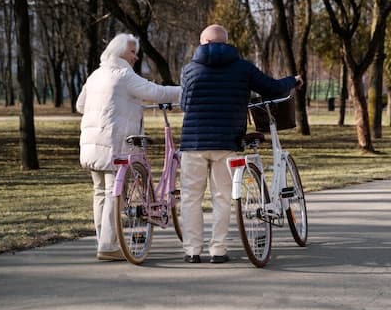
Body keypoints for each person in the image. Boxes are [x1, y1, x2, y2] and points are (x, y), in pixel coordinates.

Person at [179, 24, 302, 264]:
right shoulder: (242, 68)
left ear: (203, 42)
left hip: (193, 142)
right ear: (225, 42)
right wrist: (292, 80)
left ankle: (192, 251)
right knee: (223, 198)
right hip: (227, 141)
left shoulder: (189, 70)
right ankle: (218, 250)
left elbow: (185, 104)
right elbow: (272, 88)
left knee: (190, 198)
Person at [76, 33, 181, 261]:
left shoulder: (95, 75)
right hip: (115, 144)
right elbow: (157, 93)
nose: (135, 57)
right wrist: (186, 91)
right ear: (119, 51)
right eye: (132, 52)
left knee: (100, 193)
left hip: (91, 144)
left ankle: (105, 242)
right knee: (116, 195)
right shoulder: (124, 75)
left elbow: (80, 105)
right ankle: (108, 245)